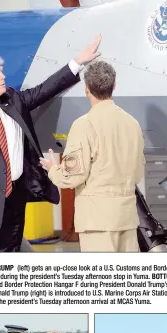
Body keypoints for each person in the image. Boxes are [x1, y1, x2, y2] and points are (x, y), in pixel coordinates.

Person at [0, 34, 103, 252]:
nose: (3, 76)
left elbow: (45, 89)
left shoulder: (13, 100)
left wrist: (78, 61)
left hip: (14, 207)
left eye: (1, 71)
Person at [40, 61, 145, 252]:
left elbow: (73, 176)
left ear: (86, 89)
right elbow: (137, 172)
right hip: (127, 218)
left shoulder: (84, 125)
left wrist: (53, 170)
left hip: (97, 221)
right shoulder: (133, 124)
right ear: (114, 86)